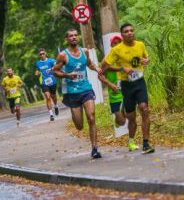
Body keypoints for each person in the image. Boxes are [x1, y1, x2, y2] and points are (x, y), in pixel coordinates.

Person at [102, 23, 154, 154]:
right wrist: (121, 68)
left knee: (144, 109)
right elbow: (104, 67)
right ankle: (131, 141)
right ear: (122, 35)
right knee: (131, 117)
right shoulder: (117, 50)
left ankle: (146, 143)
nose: (129, 33)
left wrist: (146, 60)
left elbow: (145, 57)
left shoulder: (140, 45)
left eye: (131, 30)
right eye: (126, 31)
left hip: (139, 82)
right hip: (126, 85)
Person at [53, 28, 103, 159]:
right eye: (71, 36)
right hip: (72, 93)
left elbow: (90, 64)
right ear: (67, 39)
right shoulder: (63, 55)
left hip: (86, 89)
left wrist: (97, 68)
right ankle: (74, 112)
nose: (74, 37)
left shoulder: (84, 51)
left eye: (75, 35)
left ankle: (95, 148)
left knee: (91, 117)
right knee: (80, 126)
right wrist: (67, 75)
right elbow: (55, 71)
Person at [98, 34, 136, 149]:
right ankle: (118, 119)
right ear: (111, 45)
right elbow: (100, 76)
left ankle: (131, 142)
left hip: (128, 91)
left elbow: (136, 68)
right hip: (115, 93)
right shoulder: (107, 60)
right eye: (114, 43)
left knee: (132, 117)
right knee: (122, 121)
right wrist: (110, 85)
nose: (117, 45)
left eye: (119, 42)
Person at [35, 48, 59, 121]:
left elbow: (57, 66)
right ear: (39, 55)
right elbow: (37, 71)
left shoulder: (51, 60)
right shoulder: (38, 63)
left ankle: (55, 105)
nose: (42, 55)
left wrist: (51, 69)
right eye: (40, 54)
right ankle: (51, 114)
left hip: (52, 81)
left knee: (53, 96)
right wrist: (37, 73)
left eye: (43, 53)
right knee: (48, 97)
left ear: (45, 53)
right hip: (44, 82)